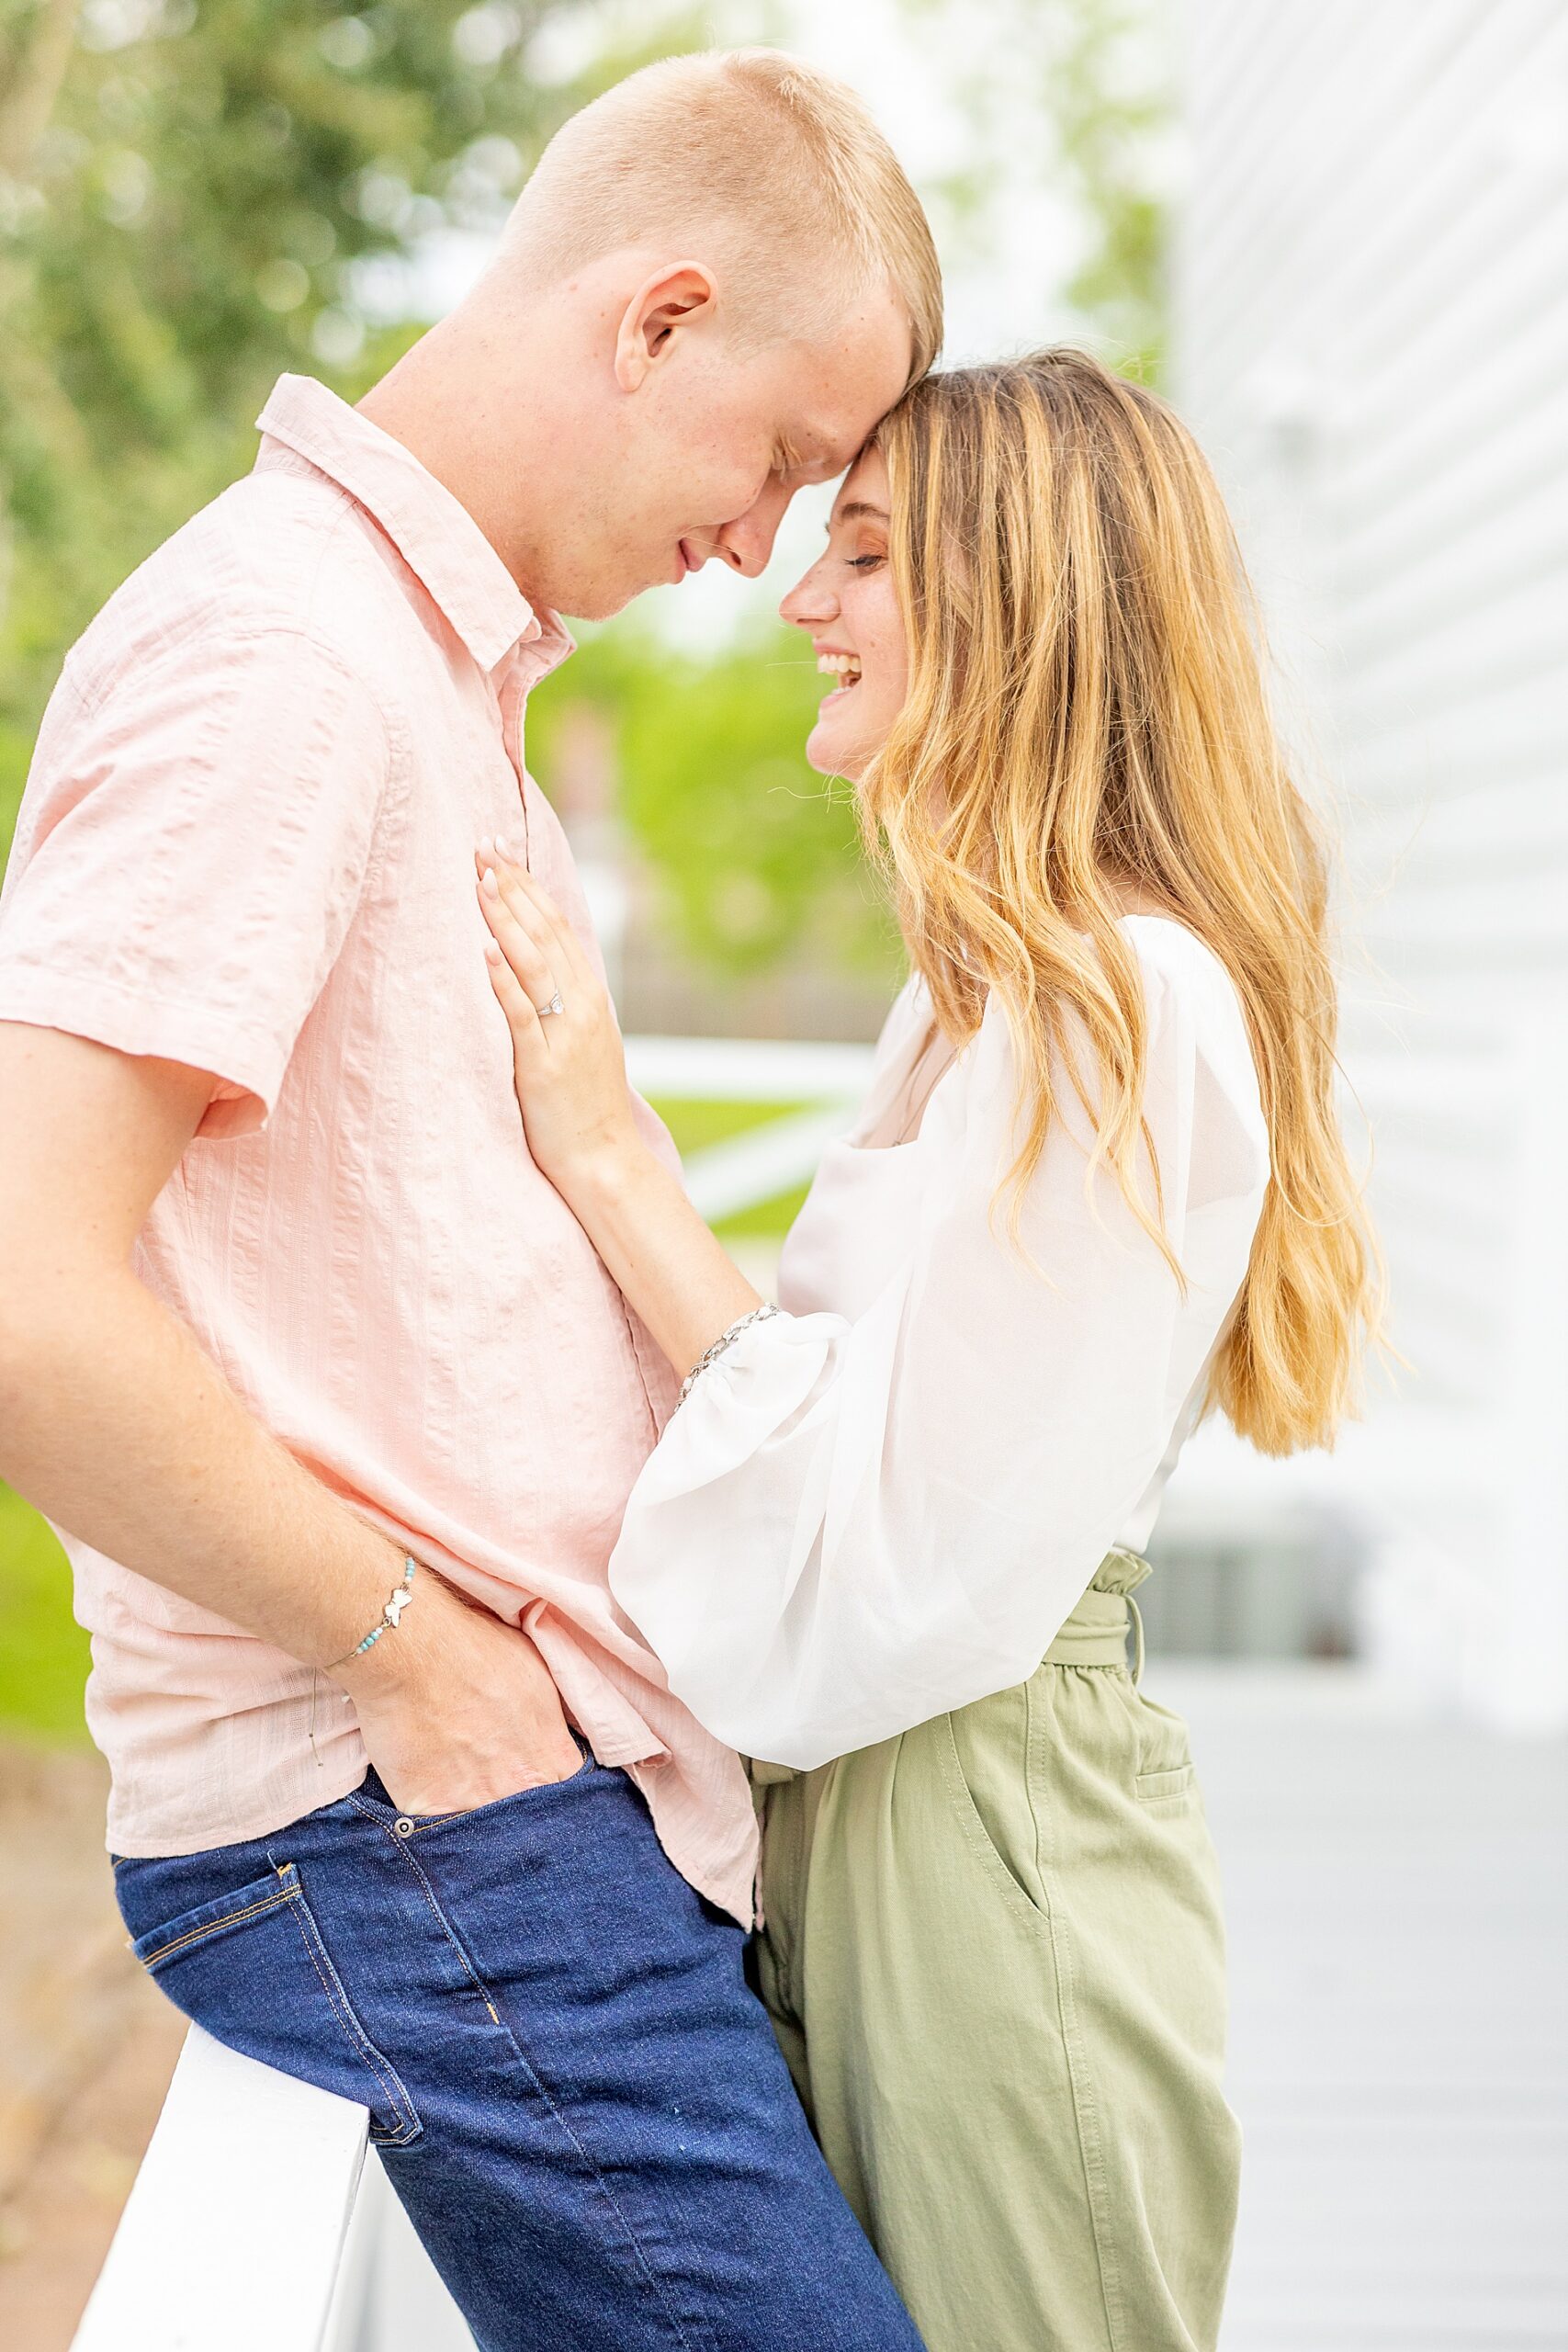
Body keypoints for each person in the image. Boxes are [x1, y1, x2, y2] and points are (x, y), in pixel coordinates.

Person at [0, 51, 942, 2352]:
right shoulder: (284, 662)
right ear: (655, 317)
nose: (761, 548)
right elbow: (22, 1284)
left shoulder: (422, 677)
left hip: (486, 1816)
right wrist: (418, 1655)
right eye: (784, 458)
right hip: (406, 1819)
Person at [473, 347, 1380, 2352]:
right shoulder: (974, 998)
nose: (800, 592)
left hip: (983, 1826)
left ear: (1022, 600)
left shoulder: (1117, 1001)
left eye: (865, 550)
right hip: (893, 1800)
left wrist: (618, 1158)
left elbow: (904, 1557)